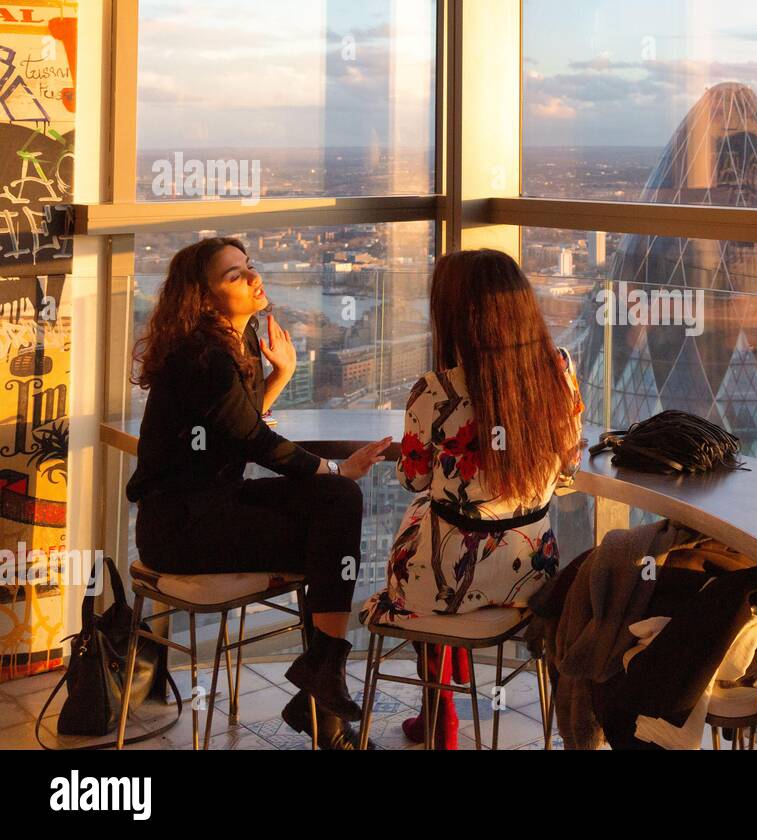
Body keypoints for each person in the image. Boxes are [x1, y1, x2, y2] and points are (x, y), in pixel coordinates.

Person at [126, 236, 392, 750]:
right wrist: (335, 466)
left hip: (214, 507)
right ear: (203, 299)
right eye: (233, 275)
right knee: (333, 510)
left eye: (249, 267)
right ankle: (323, 696)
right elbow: (252, 439)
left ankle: (323, 684)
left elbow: (234, 427)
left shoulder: (237, 343)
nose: (251, 277)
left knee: (336, 504)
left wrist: (281, 374)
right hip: (181, 528)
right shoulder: (201, 356)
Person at [361, 249, 583, 748]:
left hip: (447, 580)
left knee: (423, 530)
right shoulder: (558, 370)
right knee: (448, 523)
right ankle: (447, 667)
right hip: (533, 575)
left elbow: (413, 481)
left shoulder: (435, 392)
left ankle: (438, 708)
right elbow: (568, 466)